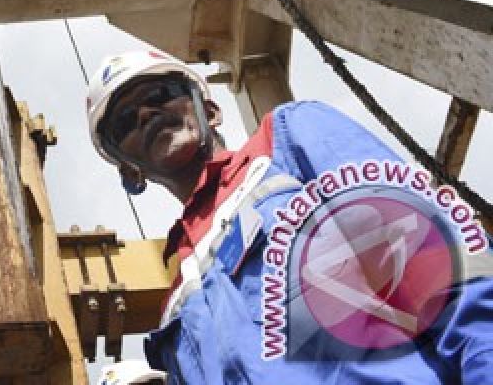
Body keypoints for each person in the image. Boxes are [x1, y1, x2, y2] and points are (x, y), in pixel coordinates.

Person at [85, 49, 493, 384]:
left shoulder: (287, 143)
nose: (144, 114)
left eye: (160, 93)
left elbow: (436, 257)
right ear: (130, 171)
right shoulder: (177, 307)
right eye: (124, 121)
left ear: (210, 110)